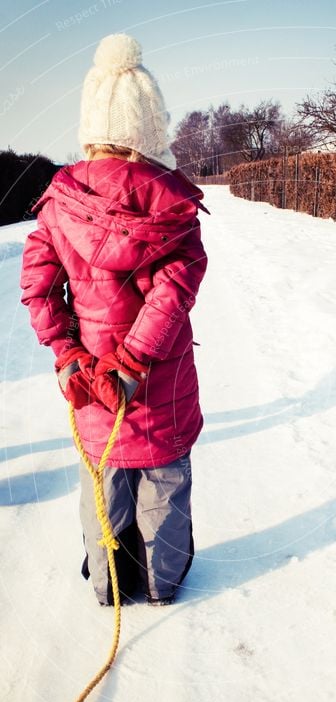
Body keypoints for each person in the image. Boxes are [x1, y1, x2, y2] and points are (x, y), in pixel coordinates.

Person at [20, 33, 208, 606]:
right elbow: (172, 294)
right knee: (164, 489)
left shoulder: (59, 200)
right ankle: (162, 584)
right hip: (158, 382)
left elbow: (39, 288)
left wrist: (68, 355)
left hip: (90, 385)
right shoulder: (169, 203)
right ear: (150, 127)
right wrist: (132, 362)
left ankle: (109, 584)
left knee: (102, 486)